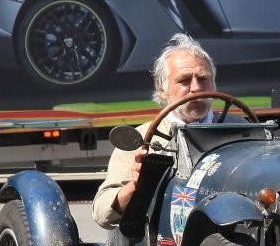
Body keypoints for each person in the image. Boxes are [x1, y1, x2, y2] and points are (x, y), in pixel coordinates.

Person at [92, 34, 220, 230]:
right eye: (184, 80)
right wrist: (136, 185)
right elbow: (102, 212)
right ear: (162, 90)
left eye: (203, 79)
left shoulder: (243, 127)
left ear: (213, 84)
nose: (196, 88)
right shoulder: (140, 140)